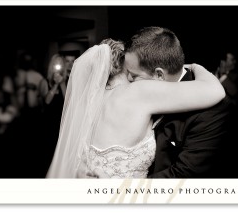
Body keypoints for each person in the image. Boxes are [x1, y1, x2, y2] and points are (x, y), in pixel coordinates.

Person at [46, 37, 225, 178]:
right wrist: (196, 66)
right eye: (133, 71)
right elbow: (215, 90)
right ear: (124, 66)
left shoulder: (90, 103)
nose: (133, 78)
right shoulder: (137, 92)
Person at [124, 27, 231, 178]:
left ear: (159, 74)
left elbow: (185, 174)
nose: (128, 79)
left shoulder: (211, 110)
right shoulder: (139, 94)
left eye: (134, 75)